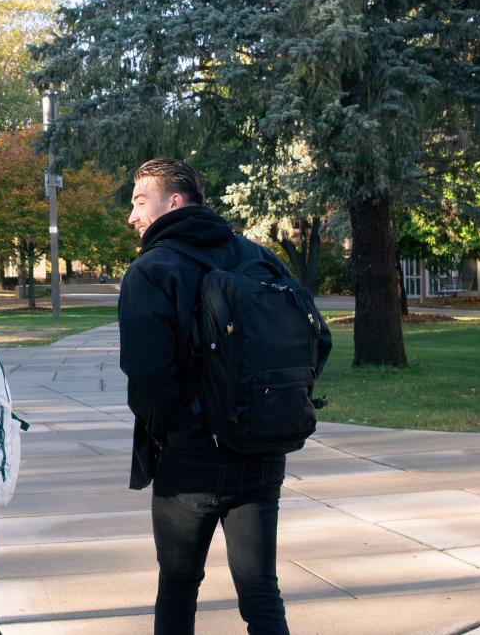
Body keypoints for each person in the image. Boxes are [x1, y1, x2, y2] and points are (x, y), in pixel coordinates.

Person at [119, 158, 328, 634]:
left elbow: (147, 376)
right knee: (261, 591)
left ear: (174, 202)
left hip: (190, 459)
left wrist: (170, 432)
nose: (133, 216)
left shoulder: (151, 270)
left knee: (177, 587)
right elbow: (316, 340)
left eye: (139, 201)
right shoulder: (257, 257)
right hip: (261, 450)